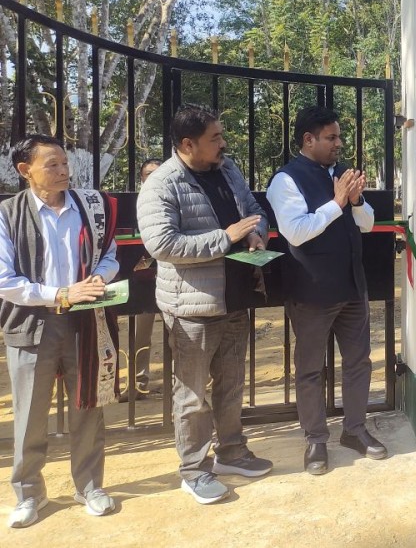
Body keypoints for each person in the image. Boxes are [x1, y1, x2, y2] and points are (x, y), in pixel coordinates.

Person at [137, 105, 273, 505]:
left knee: (231, 383)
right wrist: (226, 237)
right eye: (215, 137)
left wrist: (255, 236)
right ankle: (194, 470)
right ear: (187, 144)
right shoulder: (161, 184)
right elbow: (162, 244)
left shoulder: (227, 169)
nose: (223, 143)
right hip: (192, 307)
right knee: (192, 394)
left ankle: (231, 451)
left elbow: (254, 212)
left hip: (235, 296)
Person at [0, 135, 119, 527]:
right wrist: (61, 294)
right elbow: (5, 280)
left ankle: (89, 486)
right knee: (31, 413)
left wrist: (99, 278)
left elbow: (109, 254)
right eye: (51, 164)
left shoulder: (91, 206)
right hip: (33, 324)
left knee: (88, 407)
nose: (63, 170)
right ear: (25, 170)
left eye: (65, 163)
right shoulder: (8, 213)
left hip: (85, 321)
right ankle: (30, 493)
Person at [266, 106, 386, 475]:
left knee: (358, 363)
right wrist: (336, 203)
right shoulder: (285, 180)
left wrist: (356, 201)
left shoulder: (343, 174)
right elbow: (297, 231)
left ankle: (354, 430)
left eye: (338, 137)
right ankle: (316, 440)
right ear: (309, 139)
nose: (339, 143)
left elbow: (366, 226)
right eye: (331, 137)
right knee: (310, 370)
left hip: (352, 287)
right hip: (312, 292)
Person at [124, 158, 161, 400]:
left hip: (175, 279)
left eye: (158, 173)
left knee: (179, 334)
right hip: (143, 280)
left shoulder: (176, 199)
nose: (153, 178)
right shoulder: (133, 206)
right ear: (141, 178)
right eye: (148, 174)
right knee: (139, 334)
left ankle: (181, 382)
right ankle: (138, 383)